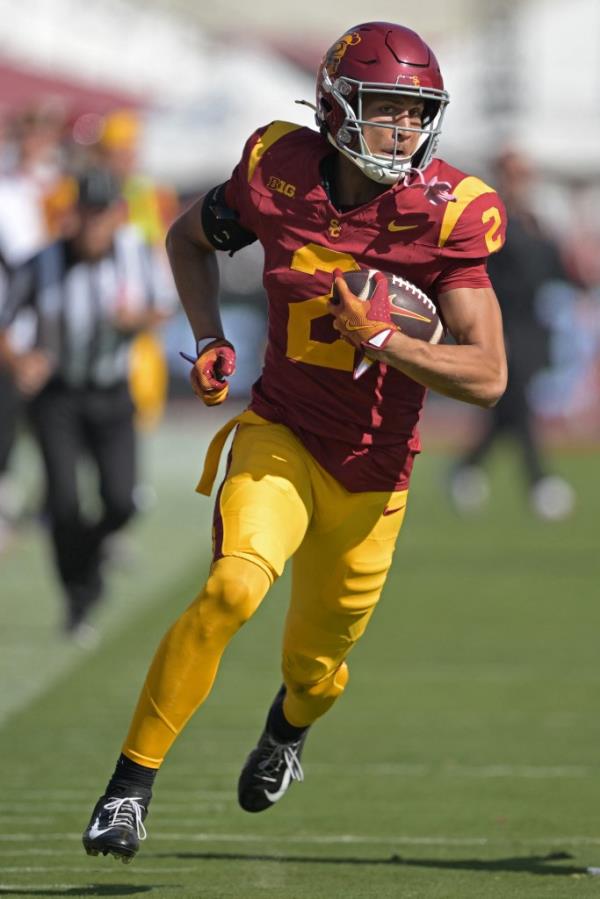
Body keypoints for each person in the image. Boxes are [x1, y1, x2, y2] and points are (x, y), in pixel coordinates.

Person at [82, 21, 508, 863]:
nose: (403, 130)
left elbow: (488, 373)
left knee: (316, 670)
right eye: (384, 108)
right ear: (335, 106)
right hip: (280, 431)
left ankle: (285, 730)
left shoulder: (447, 211)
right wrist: (207, 337)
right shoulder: (277, 166)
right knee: (233, 589)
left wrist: (382, 340)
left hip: (373, 472)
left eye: (415, 112)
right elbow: (187, 240)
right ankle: (128, 787)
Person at [0, 167, 174, 636]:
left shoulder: (137, 253)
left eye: (103, 215)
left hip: (113, 393)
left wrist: (135, 320)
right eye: (87, 214)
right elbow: (4, 318)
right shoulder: (42, 262)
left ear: (116, 217)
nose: (95, 225)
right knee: (63, 501)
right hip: (58, 396)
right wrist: (20, 361)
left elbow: (163, 307)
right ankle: (76, 596)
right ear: (73, 215)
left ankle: (90, 561)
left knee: (122, 501)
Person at [449, 149, 575, 520]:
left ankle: (468, 468)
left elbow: (555, 269)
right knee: (518, 404)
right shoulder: (490, 221)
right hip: (500, 325)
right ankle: (539, 483)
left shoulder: (536, 223)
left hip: (531, 328)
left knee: (509, 411)